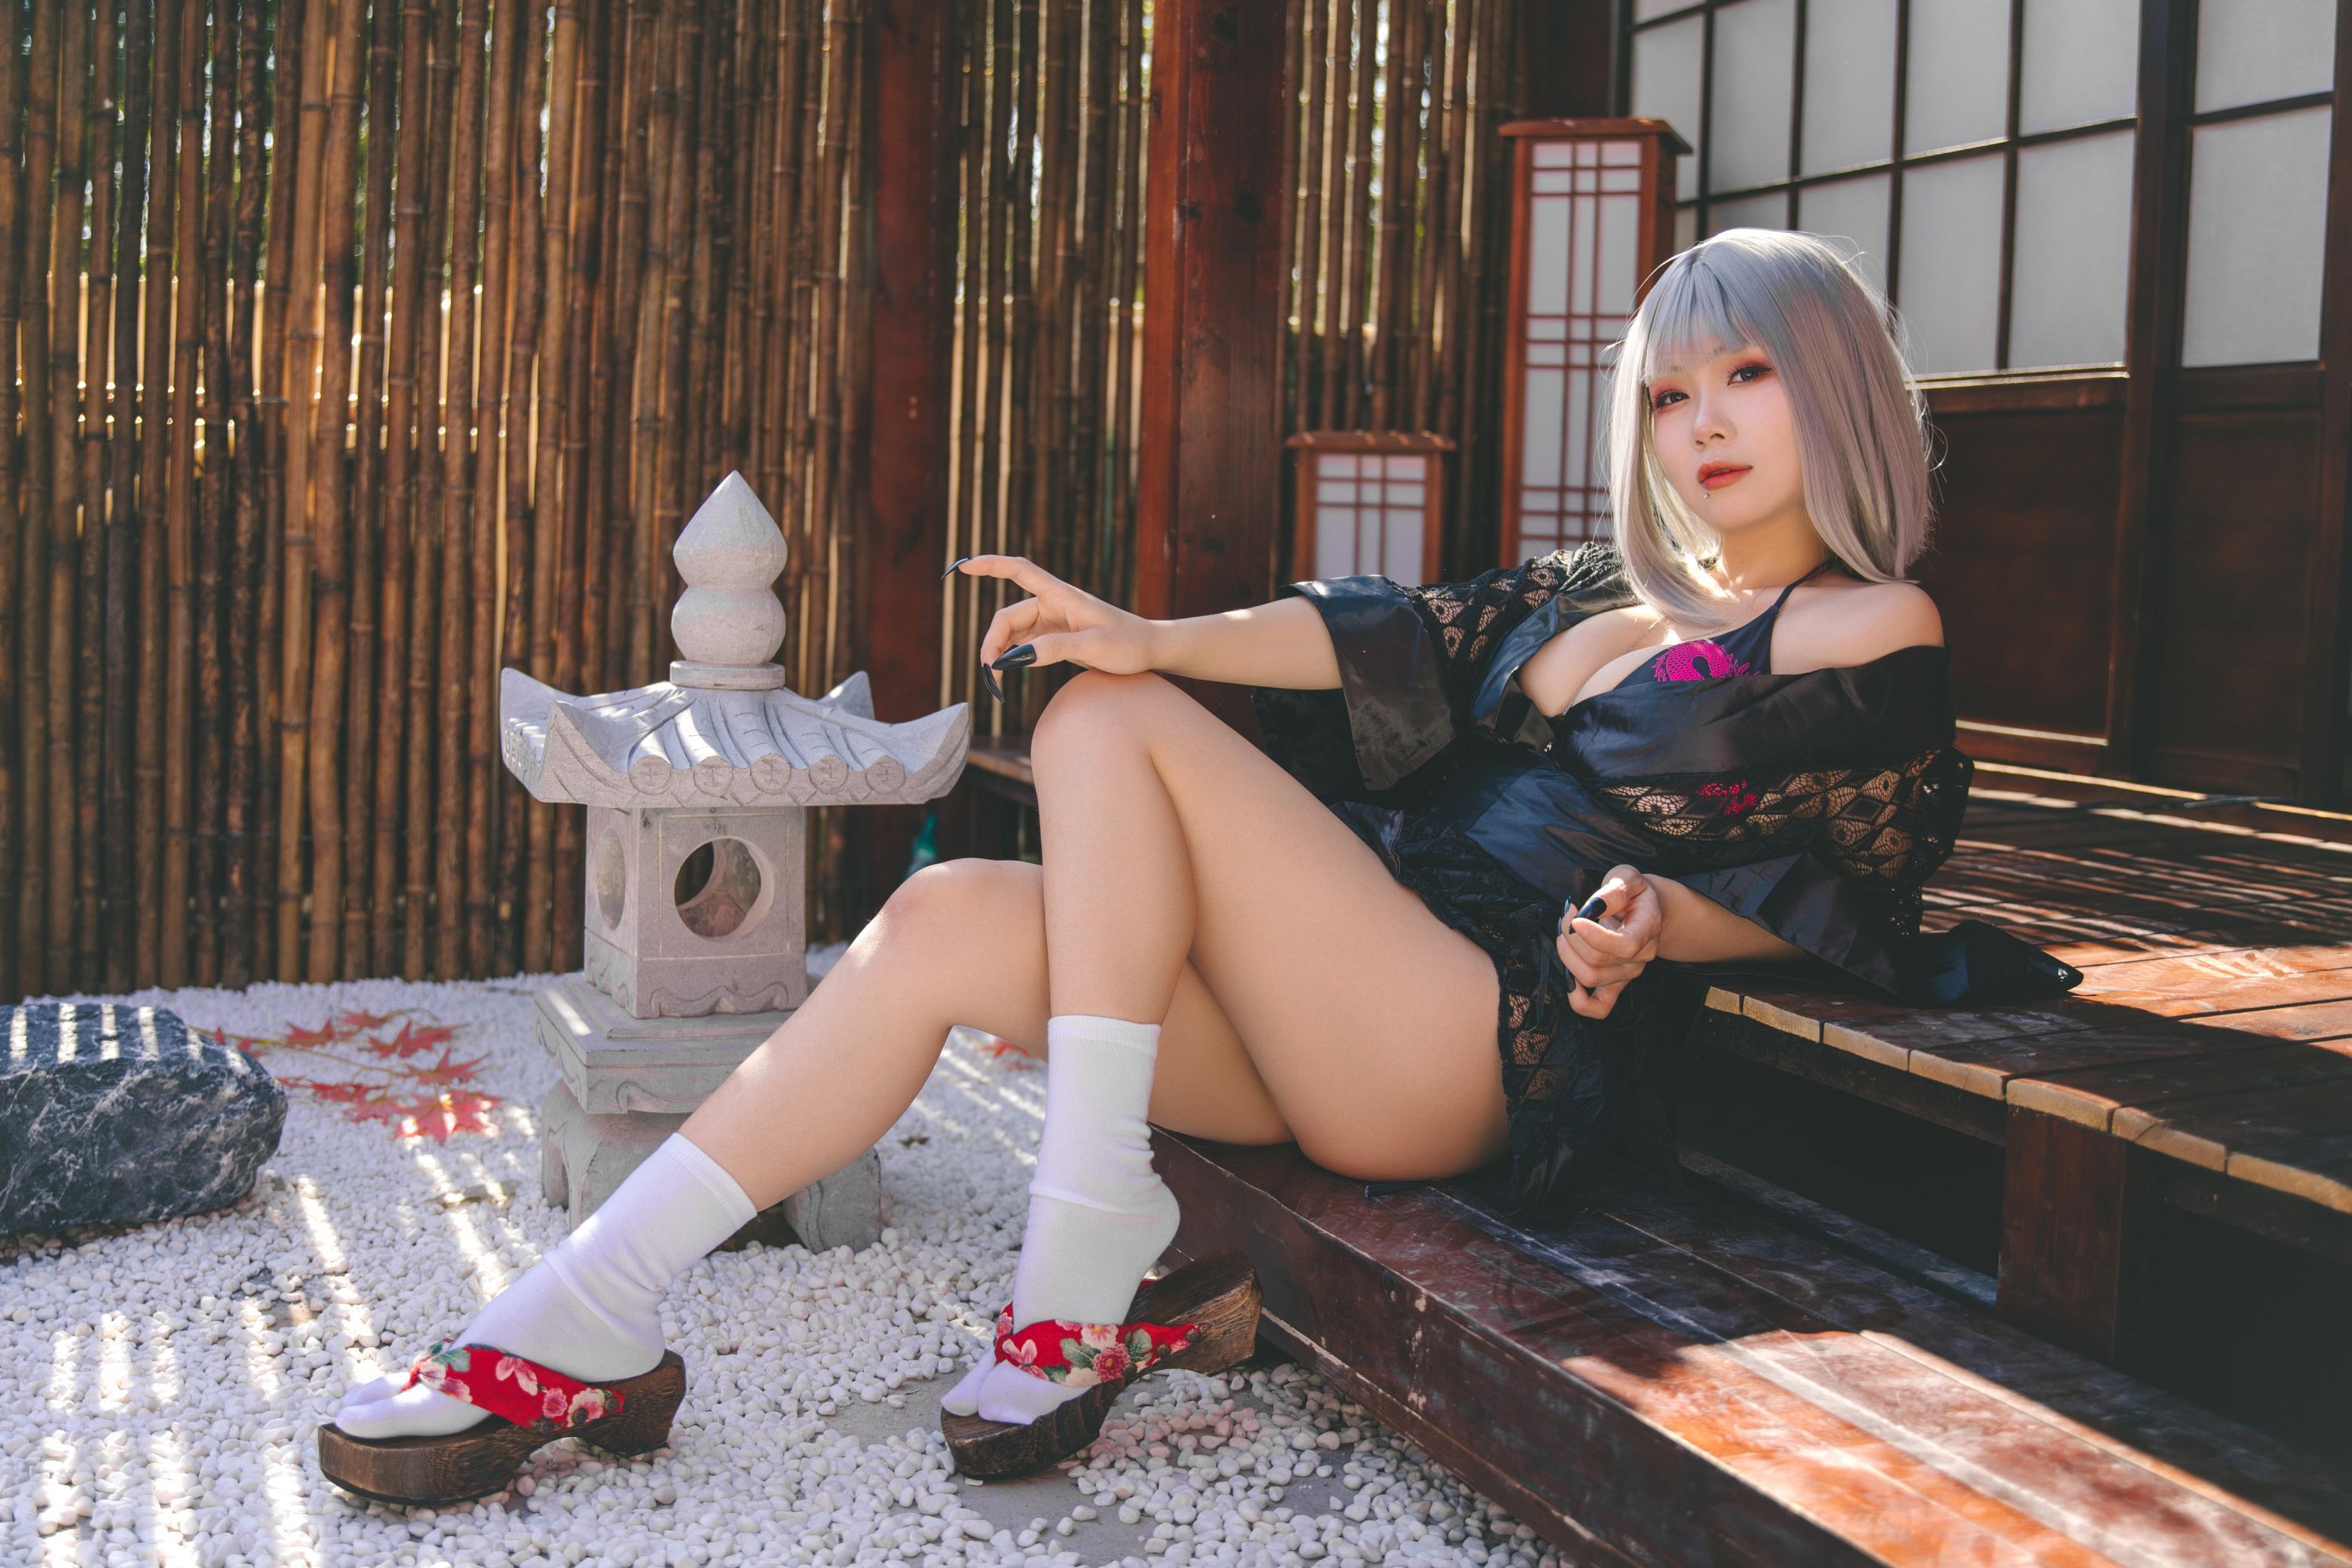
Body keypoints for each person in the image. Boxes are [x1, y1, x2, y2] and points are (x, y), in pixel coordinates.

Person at [317, 228, 2072, 1496]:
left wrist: (1666, 919)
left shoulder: (1869, 621)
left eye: (1750, 374)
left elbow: (1863, 888)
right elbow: (1382, 633)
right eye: (1673, 390)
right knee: (943, 909)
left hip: (1476, 1032)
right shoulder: (1596, 592)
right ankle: (588, 1312)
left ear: (1837, 384)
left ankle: (1080, 1257)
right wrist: (1154, 626)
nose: (1705, 421)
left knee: (1109, 716)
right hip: (1356, 975)